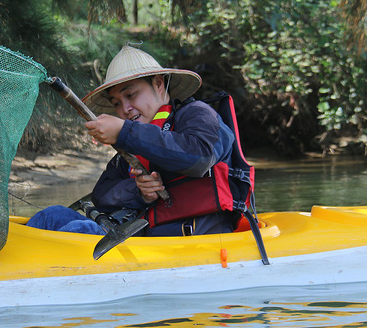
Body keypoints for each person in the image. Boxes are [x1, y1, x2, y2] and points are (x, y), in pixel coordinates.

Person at [27, 45, 238, 236]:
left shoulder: (198, 114)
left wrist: (125, 132)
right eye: (116, 103)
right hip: (142, 239)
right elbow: (101, 195)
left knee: (79, 230)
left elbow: (199, 157)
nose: (124, 109)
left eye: (131, 95)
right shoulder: (132, 141)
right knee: (52, 215)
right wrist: (139, 192)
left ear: (158, 83)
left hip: (189, 241)